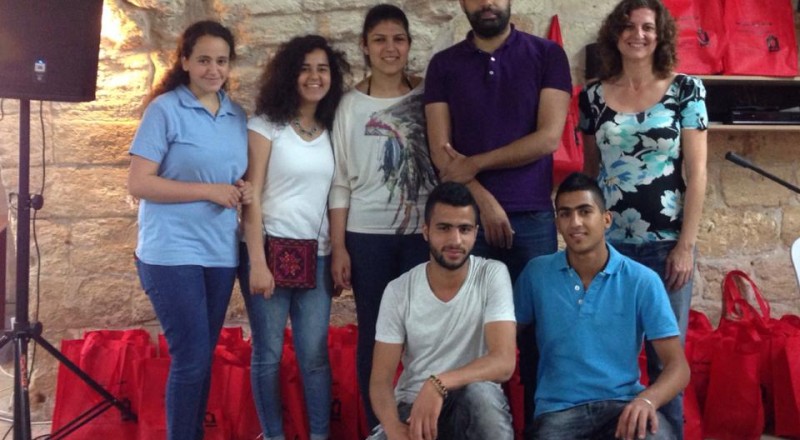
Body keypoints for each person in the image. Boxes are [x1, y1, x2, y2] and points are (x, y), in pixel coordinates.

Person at [425, 1, 573, 430]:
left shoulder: (547, 56)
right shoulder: (443, 66)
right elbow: (441, 152)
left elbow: (548, 138)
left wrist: (474, 164)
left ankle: (540, 432)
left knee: (539, 340)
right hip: (465, 225)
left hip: (532, 219)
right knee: (466, 340)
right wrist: (483, 201)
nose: (487, 2)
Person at [579, 0, 708, 435]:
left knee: (665, 360)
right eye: (629, 26)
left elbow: (697, 174)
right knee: (608, 355)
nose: (638, 35)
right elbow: (589, 175)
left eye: (648, 27)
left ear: (660, 34)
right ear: (614, 34)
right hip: (609, 248)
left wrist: (686, 246)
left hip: (666, 246)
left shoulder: (686, 90)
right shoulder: (592, 97)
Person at [128, 20, 250, 440]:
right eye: (203, 60)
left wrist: (243, 188)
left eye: (221, 61)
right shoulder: (164, 110)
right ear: (184, 62)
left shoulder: (237, 115)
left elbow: (234, 176)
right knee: (192, 358)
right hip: (170, 253)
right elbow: (139, 183)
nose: (213, 70)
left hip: (219, 253)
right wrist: (208, 191)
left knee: (202, 359)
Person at [514, 172, 690, 440]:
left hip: (623, 407)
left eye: (585, 211)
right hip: (558, 414)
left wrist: (647, 400)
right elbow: (502, 338)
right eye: (565, 214)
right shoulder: (536, 274)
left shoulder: (642, 280)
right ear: (557, 223)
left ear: (606, 219)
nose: (575, 222)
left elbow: (678, 367)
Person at [329, 4, 438, 429]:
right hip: (366, 237)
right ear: (365, 46)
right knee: (375, 336)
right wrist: (340, 246)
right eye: (379, 39)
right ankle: (381, 428)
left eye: (398, 39)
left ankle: (423, 425)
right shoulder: (348, 106)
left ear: (409, 44)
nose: (390, 48)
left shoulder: (428, 97)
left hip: (422, 235)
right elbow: (340, 181)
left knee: (425, 333)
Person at [238, 35, 349, 440]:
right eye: (304, 68)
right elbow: (251, 197)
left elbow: (338, 193)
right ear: (289, 74)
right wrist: (257, 261)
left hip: (316, 257)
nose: (314, 76)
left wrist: (338, 249)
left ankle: (319, 435)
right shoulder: (265, 125)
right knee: (267, 354)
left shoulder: (333, 129)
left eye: (322, 69)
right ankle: (273, 435)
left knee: (314, 356)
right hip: (268, 251)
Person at [368, 182, 517, 440]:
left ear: (475, 233)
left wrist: (438, 383)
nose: (455, 240)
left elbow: (503, 362)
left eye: (464, 229)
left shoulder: (491, 275)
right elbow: (380, 382)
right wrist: (394, 429)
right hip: (413, 408)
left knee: (481, 394)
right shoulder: (399, 290)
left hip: (471, 408)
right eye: (444, 228)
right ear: (426, 231)